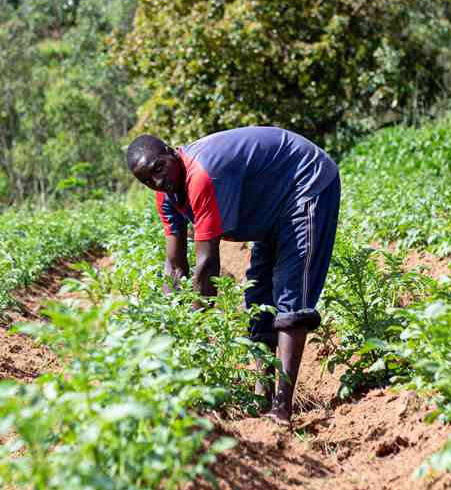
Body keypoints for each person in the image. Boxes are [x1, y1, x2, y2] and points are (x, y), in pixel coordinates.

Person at [126, 126, 341, 424]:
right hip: (269, 207)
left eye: (158, 168)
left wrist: (195, 334)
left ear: (172, 152)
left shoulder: (200, 176)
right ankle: (260, 398)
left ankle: (281, 407)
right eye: (146, 180)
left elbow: (207, 265)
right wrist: (170, 328)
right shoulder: (166, 196)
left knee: (291, 294)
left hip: (305, 182)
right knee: (258, 299)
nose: (157, 181)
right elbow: (174, 268)